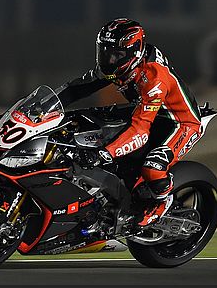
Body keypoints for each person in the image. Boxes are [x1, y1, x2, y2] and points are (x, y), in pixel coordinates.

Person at [56, 18, 202, 229]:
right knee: (87, 123)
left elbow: (140, 131)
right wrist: (42, 108)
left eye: (117, 54)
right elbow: (76, 89)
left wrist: (103, 153)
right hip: (146, 110)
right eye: (105, 52)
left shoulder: (153, 78)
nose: (110, 59)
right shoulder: (121, 65)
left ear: (134, 52)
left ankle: (162, 202)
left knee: (153, 166)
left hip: (179, 123)